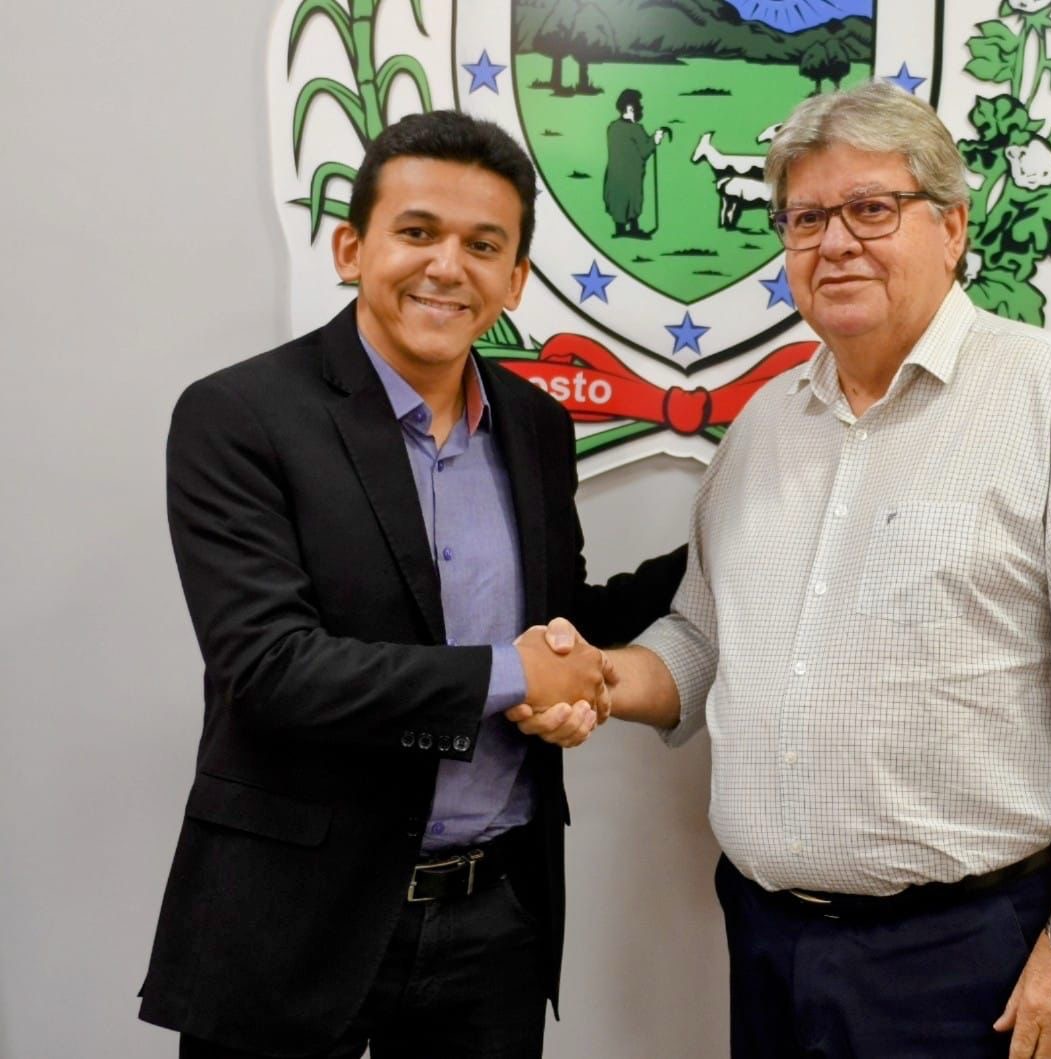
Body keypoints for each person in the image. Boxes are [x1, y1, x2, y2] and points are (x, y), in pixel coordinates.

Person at [519, 81, 1051, 1058]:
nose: (833, 242)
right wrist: (595, 678)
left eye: (870, 209)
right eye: (805, 219)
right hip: (766, 940)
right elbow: (703, 637)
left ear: (951, 227)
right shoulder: (765, 426)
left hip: (963, 959)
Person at [138, 110, 683, 1058]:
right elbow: (270, 669)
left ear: (515, 280)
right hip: (295, 920)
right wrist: (516, 675)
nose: (447, 267)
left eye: (483, 245)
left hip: (496, 919)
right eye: (418, 232)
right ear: (352, 249)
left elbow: (559, 622)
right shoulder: (238, 415)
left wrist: (724, 546)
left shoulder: (534, 423)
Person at [603, 88, 666, 238]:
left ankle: (621, 229)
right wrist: (655, 140)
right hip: (631, 176)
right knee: (632, 200)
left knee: (618, 201)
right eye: (638, 106)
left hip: (614, 175)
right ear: (630, 108)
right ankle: (633, 228)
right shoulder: (636, 129)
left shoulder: (612, 127)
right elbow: (644, 151)